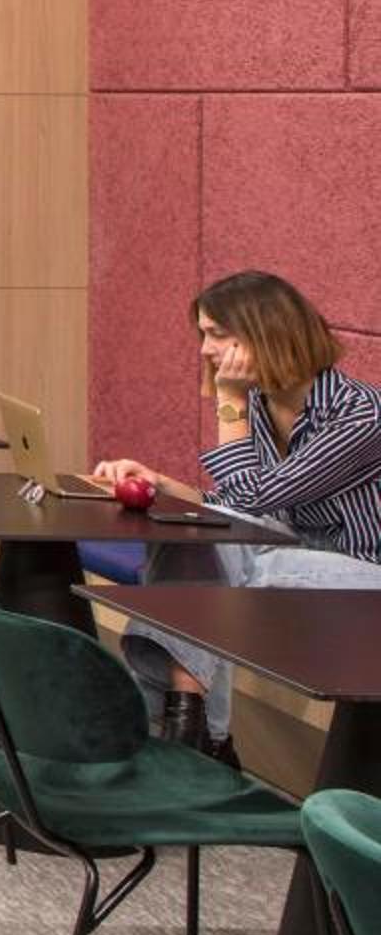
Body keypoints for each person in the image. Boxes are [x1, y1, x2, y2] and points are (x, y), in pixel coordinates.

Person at [91, 271, 381, 764]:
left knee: (226, 563)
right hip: (296, 555)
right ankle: (195, 726)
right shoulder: (266, 404)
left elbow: (249, 501)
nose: (206, 349)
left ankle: (195, 734)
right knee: (192, 536)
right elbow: (239, 504)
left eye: (218, 334)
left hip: (365, 573)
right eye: (203, 334)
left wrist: (229, 403)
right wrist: (161, 484)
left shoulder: (360, 415)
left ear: (267, 333)